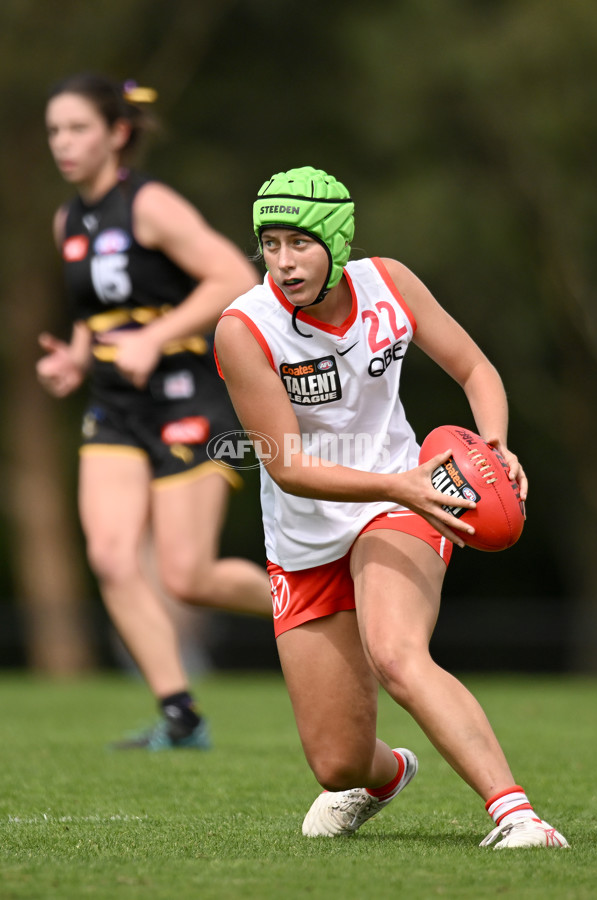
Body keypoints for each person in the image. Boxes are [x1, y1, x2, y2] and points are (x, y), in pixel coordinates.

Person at [214, 165, 569, 848]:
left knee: (397, 652)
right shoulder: (245, 328)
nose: (283, 263)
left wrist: (492, 446)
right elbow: (287, 467)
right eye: (272, 244)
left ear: (336, 240)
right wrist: (396, 486)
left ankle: (519, 817)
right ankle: (387, 777)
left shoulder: (390, 285)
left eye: (300, 242)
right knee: (336, 762)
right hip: (309, 528)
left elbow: (475, 369)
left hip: (406, 498)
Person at [37, 72, 272, 750]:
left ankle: (321, 602)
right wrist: (76, 358)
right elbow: (97, 313)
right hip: (114, 406)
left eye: (78, 128)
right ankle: (181, 716)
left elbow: (234, 276)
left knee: (186, 576)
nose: (64, 143)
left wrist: (153, 338)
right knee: (110, 557)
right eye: (55, 130)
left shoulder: (150, 204)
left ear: (117, 133)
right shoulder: (67, 220)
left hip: (185, 398)